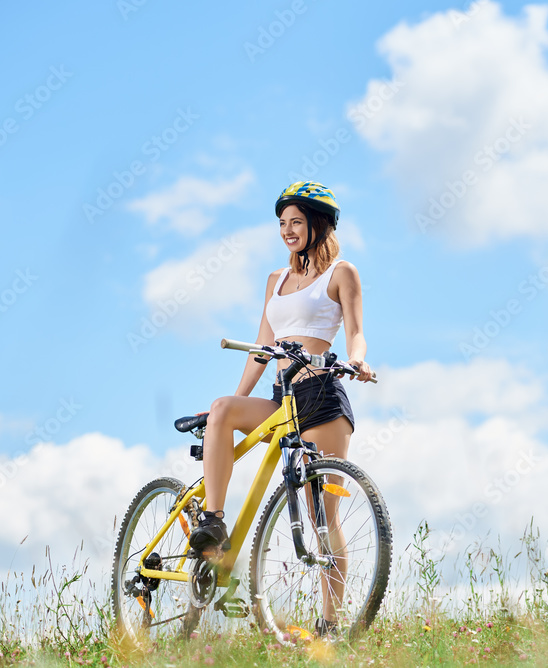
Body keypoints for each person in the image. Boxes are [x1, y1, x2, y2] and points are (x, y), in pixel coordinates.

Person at [188, 180, 375, 635]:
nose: (287, 231)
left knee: (321, 516)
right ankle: (213, 522)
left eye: (296, 222)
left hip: (322, 399)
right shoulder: (276, 280)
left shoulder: (341, 273)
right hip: (280, 398)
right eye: (282, 224)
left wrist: (358, 359)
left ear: (319, 224)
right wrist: (235, 397)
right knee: (222, 410)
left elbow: (355, 330)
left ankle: (330, 624)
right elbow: (261, 348)